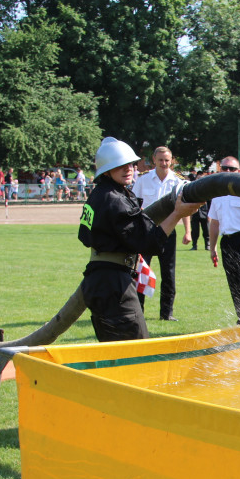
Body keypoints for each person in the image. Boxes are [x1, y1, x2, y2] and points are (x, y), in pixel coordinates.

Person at [78, 137, 202, 342]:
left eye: (130, 164)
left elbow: (85, 236)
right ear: (107, 170)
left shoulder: (99, 195)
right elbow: (148, 244)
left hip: (97, 281)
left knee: (113, 354)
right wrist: (177, 214)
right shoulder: (115, 200)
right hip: (115, 285)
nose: (128, 169)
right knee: (135, 352)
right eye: (120, 165)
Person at [131, 146, 193, 320]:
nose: (164, 163)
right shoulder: (143, 180)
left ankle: (167, 313)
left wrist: (188, 232)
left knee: (168, 272)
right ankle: (138, 312)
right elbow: (134, 205)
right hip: (147, 231)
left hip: (168, 232)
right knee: (140, 271)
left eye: (167, 160)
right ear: (154, 160)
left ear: (171, 160)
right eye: (160, 160)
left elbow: (184, 209)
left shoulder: (177, 181)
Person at [207, 156, 240, 324]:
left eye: (232, 169)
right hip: (227, 242)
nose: (228, 172)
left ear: (239, 171)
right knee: (234, 283)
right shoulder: (216, 195)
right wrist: (213, 247)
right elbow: (214, 223)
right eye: (225, 168)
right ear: (220, 170)